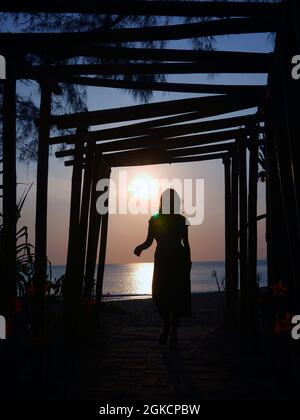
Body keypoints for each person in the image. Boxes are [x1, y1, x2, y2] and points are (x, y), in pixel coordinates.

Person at [134, 189, 192, 345]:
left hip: (169, 259)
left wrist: (189, 261)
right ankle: (169, 326)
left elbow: (185, 243)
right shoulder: (159, 220)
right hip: (172, 259)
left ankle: (172, 330)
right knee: (162, 294)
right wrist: (140, 247)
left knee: (170, 294)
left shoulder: (178, 220)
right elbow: (148, 241)